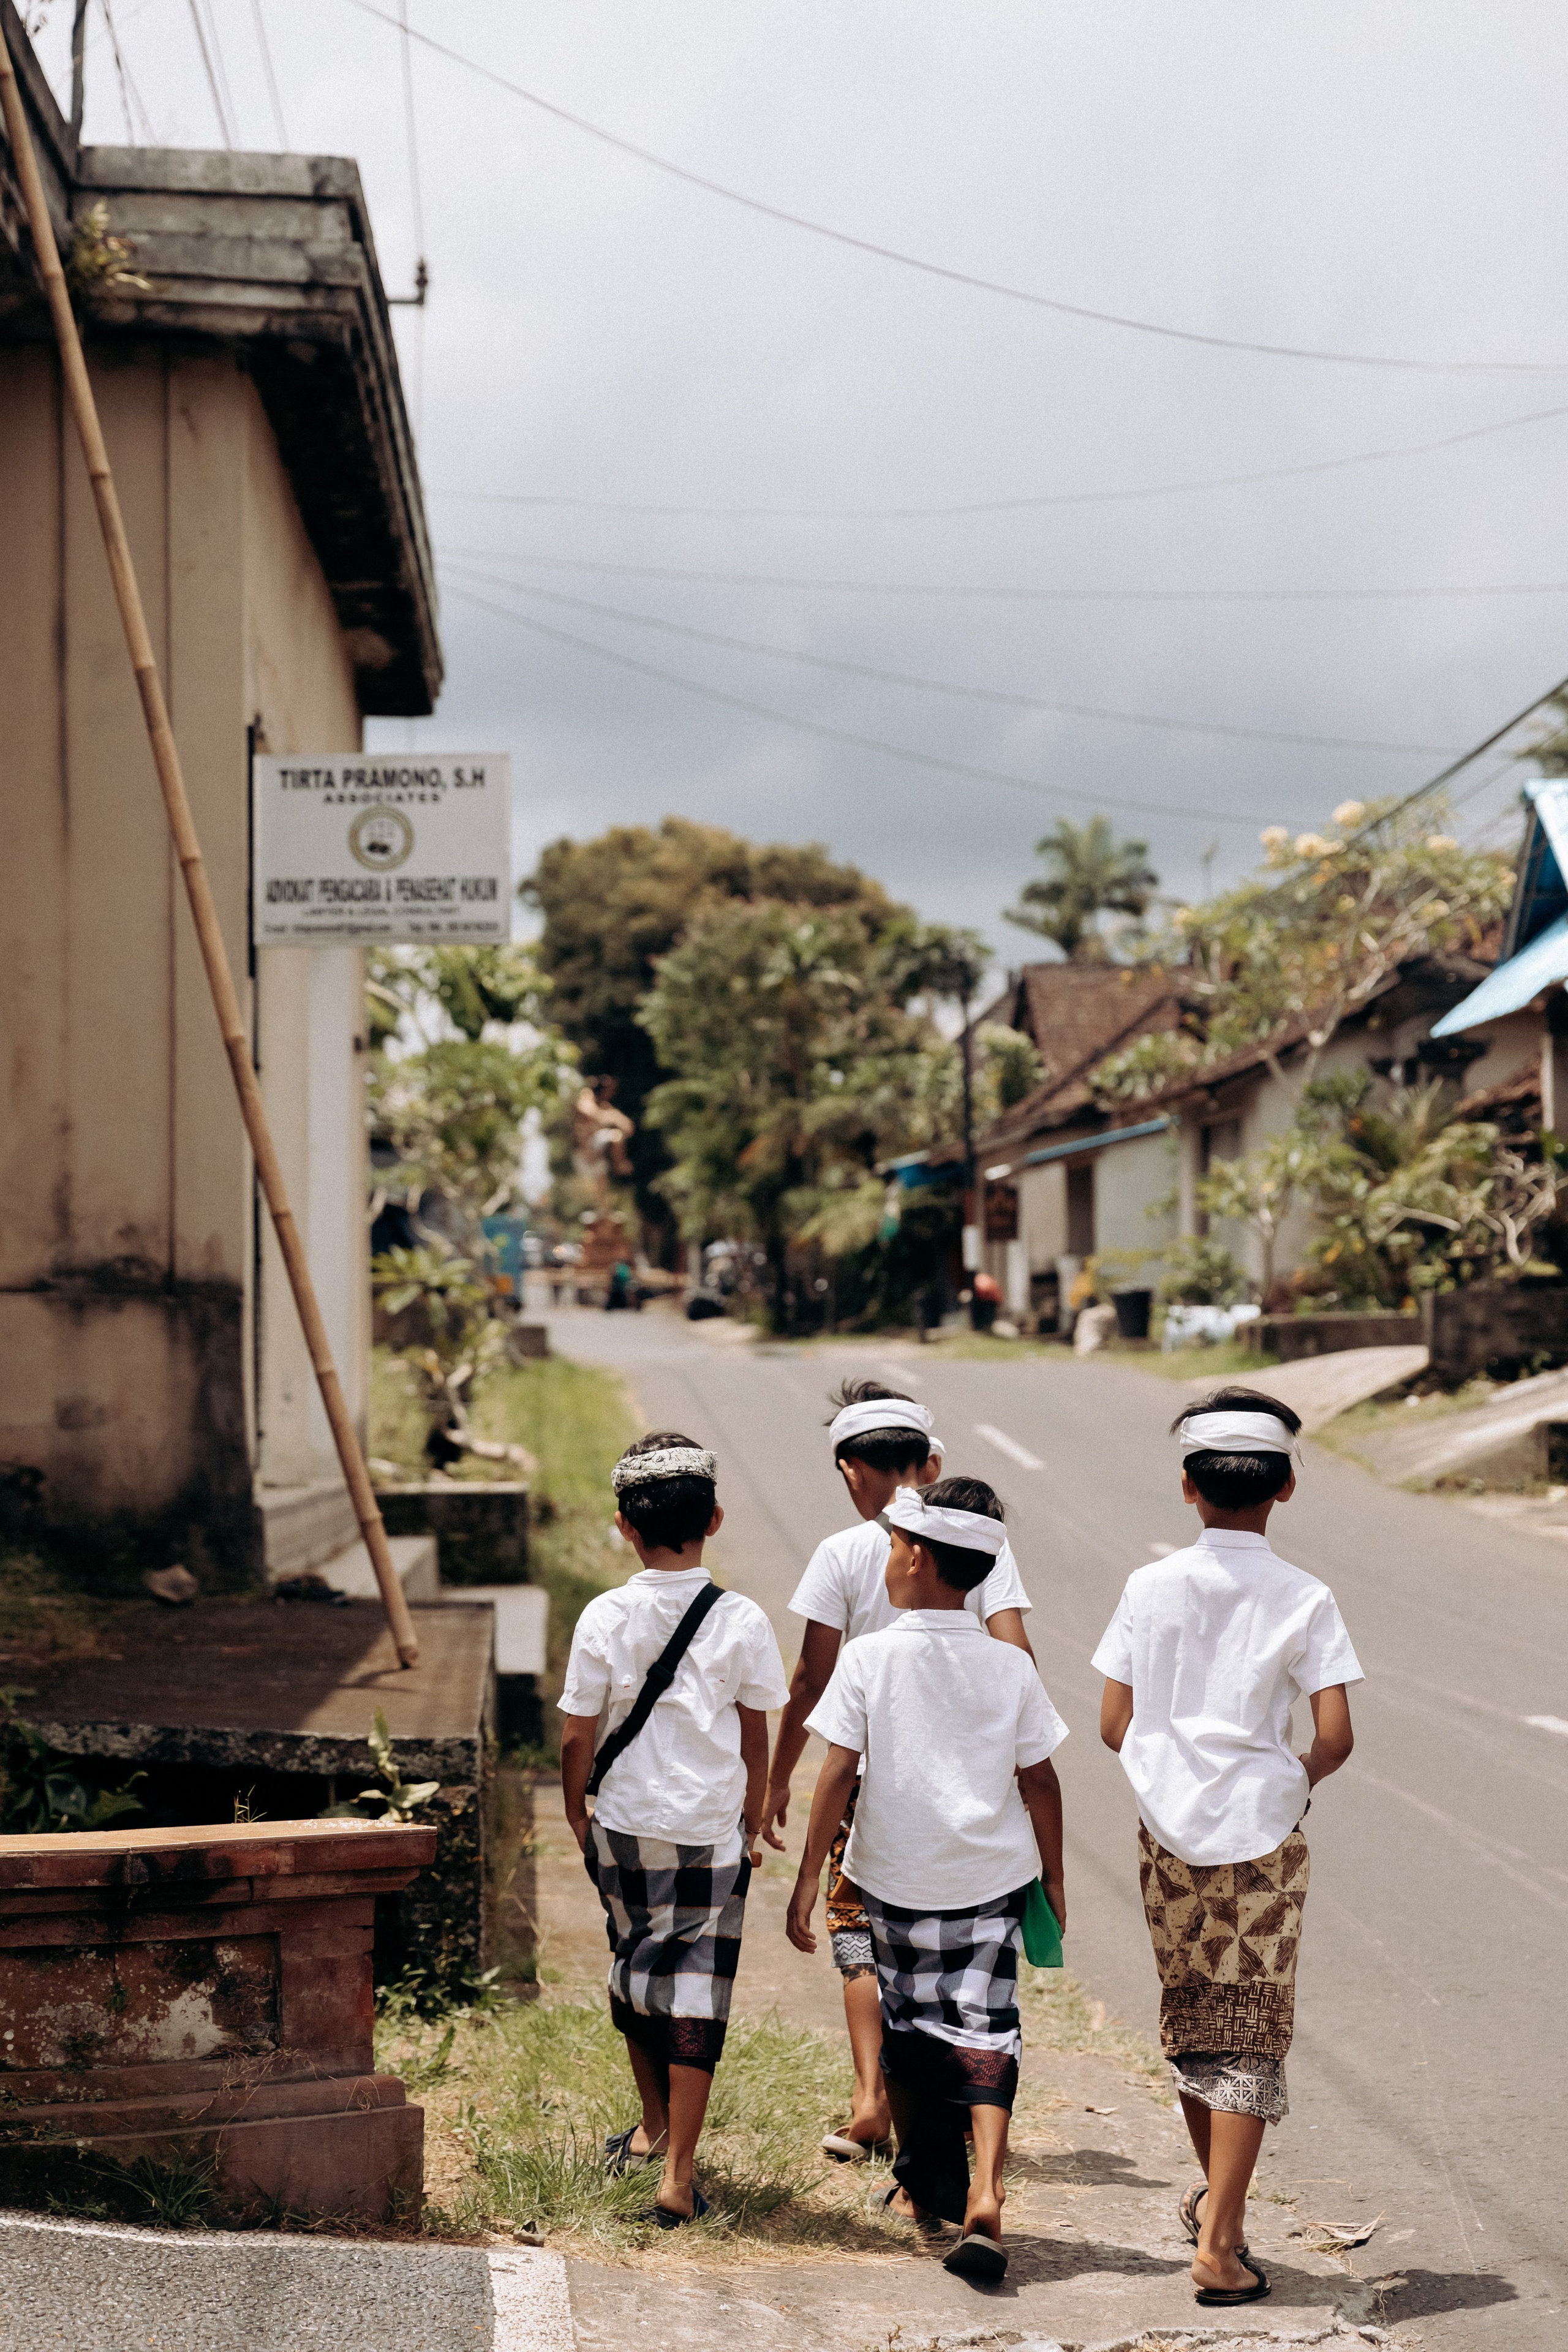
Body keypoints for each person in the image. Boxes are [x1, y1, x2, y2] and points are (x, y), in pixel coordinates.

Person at [1093, 1386, 1362, 2310]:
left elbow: (1113, 1721)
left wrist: (1170, 1777)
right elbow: (1334, 1735)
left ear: (1187, 1488)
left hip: (1165, 1836)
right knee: (1251, 2027)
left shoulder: (1147, 1586)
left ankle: (1223, 2216)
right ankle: (1218, 2241)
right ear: (1286, 1487)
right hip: (1262, 1840)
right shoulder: (1306, 1595)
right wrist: (1287, 1784)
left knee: (1194, 2018)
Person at [786, 1478, 1067, 2281]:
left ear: (914, 1558)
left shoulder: (872, 1657)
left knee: (910, 2031)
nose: (885, 1560)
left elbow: (838, 1772)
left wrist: (810, 1877)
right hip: (990, 1877)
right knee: (987, 2028)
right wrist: (1055, 1881)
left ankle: (924, 2184)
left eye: (891, 1548)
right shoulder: (1009, 1666)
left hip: (894, 1877)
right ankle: (983, 2190)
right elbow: (1041, 1780)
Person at [763, 1379, 1035, 2160]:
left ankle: (871, 2096)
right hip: (963, 1782)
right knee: (966, 1956)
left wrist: (781, 1779)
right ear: (931, 1460)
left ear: (851, 1469)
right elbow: (1017, 1652)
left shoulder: (843, 1552)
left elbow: (811, 1679)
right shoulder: (987, 1542)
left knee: (858, 1929)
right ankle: (957, 2111)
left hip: (867, 1780)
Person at [559, 1430, 789, 2226]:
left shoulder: (604, 1614)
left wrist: (573, 1811)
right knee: (697, 1988)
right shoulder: (741, 1619)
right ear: (715, 1519)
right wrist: (758, 1814)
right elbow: (757, 1732)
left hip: (621, 1823)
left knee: (634, 1966)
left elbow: (575, 1733)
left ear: (625, 1524)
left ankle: (654, 2127)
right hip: (708, 1831)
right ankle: (679, 2171)